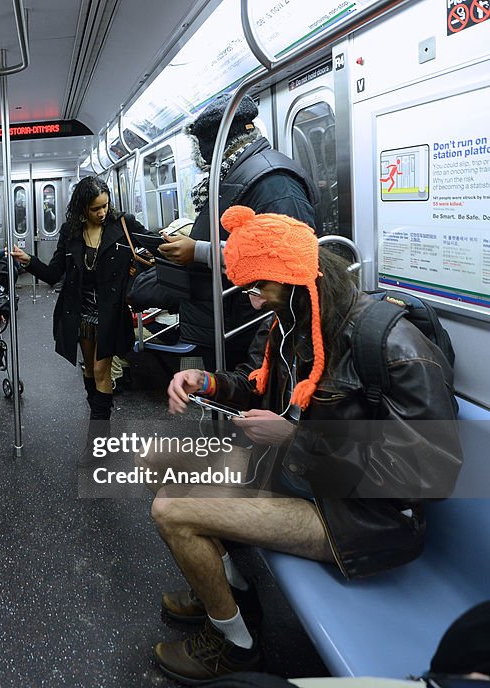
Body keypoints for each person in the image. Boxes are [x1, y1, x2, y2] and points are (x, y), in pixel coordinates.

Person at [148, 207, 462, 683]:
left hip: (360, 516)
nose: (253, 302)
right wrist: (207, 381)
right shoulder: (288, 323)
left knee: (171, 510)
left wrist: (297, 437)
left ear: (295, 278)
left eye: (260, 288)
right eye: (248, 289)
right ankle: (229, 589)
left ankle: (235, 645)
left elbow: (429, 474)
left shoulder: (392, 345)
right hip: (299, 472)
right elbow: (257, 384)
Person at [156, 93, 319, 371]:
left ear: (217, 143)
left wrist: (199, 251)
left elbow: (286, 259)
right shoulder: (236, 174)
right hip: (227, 316)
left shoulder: (273, 182)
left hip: (249, 323)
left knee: (247, 400)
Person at [10, 176, 151, 422]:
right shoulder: (70, 232)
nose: (102, 212)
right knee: (89, 368)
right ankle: (97, 410)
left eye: (105, 206)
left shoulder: (123, 224)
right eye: (95, 208)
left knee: (100, 369)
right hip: (81, 312)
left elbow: (153, 244)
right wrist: (29, 261)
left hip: (110, 312)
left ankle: (99, 433)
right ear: (82, 207)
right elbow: (54, 273)